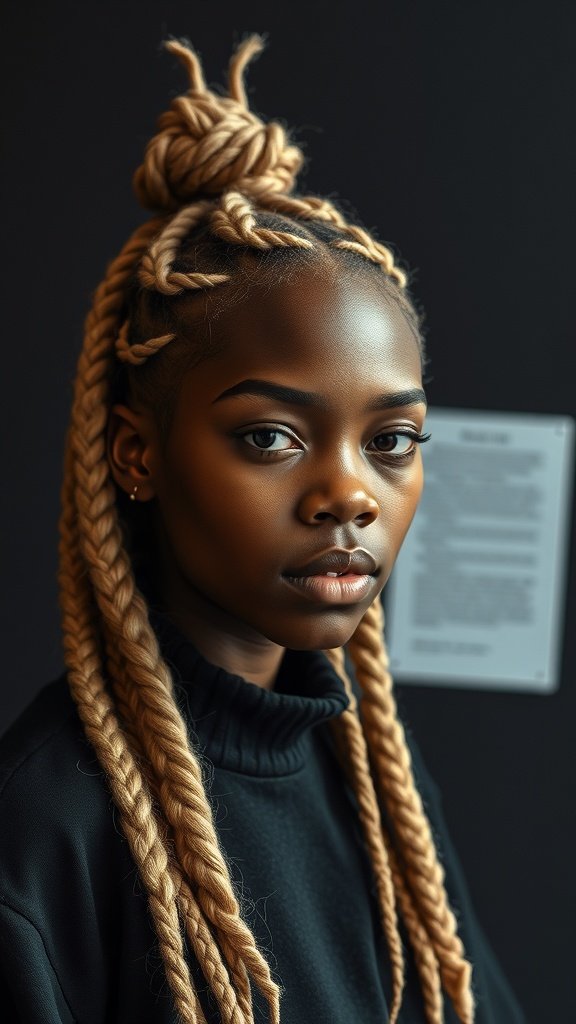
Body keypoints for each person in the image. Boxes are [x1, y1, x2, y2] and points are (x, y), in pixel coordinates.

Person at [0, 33, 526, 1024]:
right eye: (273, 435)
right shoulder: (43, 832)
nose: (349, 495)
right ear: (137, 454)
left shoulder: (379, 788)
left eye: (393, 439)